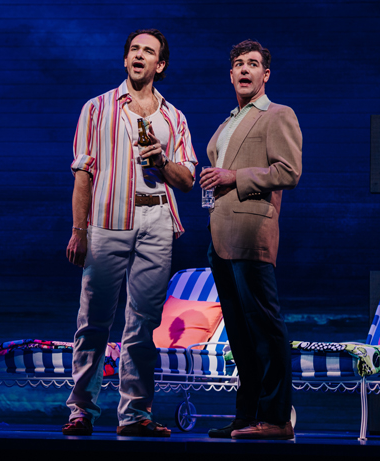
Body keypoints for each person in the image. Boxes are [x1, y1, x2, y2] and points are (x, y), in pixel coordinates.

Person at [63, 29, 197, 437]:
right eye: (134, 49)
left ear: (160, 65)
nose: (139, 55)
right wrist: (79, 230)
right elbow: (83, 173)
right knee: (94, 320)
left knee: (143, 323)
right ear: (125, 60)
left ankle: (135, 413)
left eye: (148, 51)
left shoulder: (174, 118)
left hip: (157, 222)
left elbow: (187, 179)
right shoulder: (97, 108)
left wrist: (162, 161)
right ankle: (81, 409)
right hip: (107, 220)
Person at [200, 39, 302, 440]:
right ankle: (247, 415)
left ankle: (276, 418)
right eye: (239, 64)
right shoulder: (227, 123)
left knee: (264, 327)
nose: (245, 69)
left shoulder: (277, 115)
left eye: (253, 64)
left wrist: (235, 177)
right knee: (240, 333)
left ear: (266, 74)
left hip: (251, 231)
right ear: (230, 75)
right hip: (220, 236)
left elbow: (289, 171)